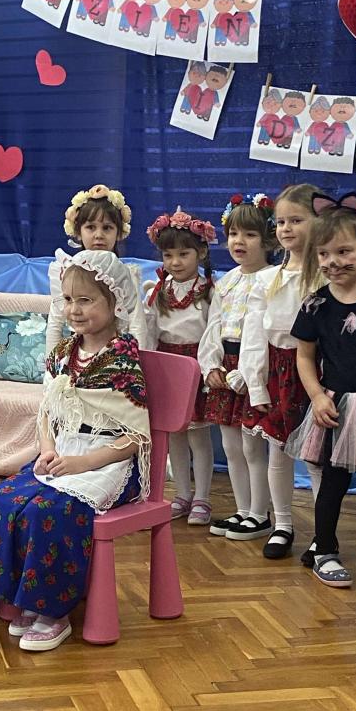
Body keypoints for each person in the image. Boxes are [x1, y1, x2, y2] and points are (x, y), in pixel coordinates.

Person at [0, 250, 150, 651]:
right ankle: (17, 596)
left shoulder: (122, 358)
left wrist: (83, 462)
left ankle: (53, 611)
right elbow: (48, 411)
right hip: (63, 451)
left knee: (48, 511)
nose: (74, 310)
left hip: (107, 461)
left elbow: (136, 438)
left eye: (86, 300)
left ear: (114, 301)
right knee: (2, 499)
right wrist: (47, 448)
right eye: (69, 299)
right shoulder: (63, 352)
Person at [285, 192, 356, 587]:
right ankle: (325, 550)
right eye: (324, 254)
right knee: (333, 482)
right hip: (336, 405)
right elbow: (304, 358)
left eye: (343, 251)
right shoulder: (316, 305)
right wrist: (317, 396)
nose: (333, 261)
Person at [239, 184, 324, 559]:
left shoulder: (325, 274)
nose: (286, 228)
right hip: (279, 371)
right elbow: (254, 336)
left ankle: (324, 532)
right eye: (281, 222)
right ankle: (283, 525)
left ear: (318, 222)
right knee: (278, 451)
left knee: (317, 457)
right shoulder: (265, 279)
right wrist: (257, 386)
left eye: (297, 220)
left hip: (317, 371)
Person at [198, 193, 276, 541]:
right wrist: (211, 365)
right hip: (225, 367)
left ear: (267, 239)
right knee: (230, 446)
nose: (238, 241)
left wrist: (249, 373)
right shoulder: (226, 281)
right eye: (233, 234)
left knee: (252, 445)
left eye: (249, 234)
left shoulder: (273, 279)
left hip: (254, 368)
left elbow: (268, 332)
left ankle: (260, 513)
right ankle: (243, 510)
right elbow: (214, 325)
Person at [144, 207, 216, 525]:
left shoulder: (210, 291)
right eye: (168, 255)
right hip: (166, 368)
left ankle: (203, 497)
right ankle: (182, 494)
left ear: (201, 252)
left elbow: (213, 332)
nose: (175, 262)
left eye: (183, 254)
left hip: (196, 367)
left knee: (199, 437)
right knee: (175, 435)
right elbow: (149, 331)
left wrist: (209, 368)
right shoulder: (158, 291)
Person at [46, 184, 148, 352]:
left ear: (119, 232)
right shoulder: (67, 271)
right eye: (90, 227)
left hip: (116, 356)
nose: (99, 235)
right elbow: (55, 324)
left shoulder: (124, 275)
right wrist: (51, 365)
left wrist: (137, 361)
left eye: (107, 228)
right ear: (78, 231)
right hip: (76, 355)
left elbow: (137, 325)